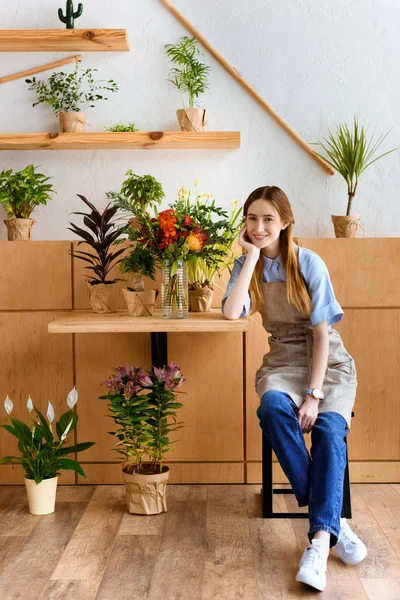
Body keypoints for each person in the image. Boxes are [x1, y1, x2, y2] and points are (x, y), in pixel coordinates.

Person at [222, 186, 367, 592]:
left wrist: (315, 394)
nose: (259, 226)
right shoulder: (246, 265)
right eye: (252, 218)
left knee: (326, 430)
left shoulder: (308, 262)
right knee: (270, 408)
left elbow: (322, 335)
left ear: (285, 221)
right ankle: (333, 519)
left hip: (330, 365)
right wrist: (250, 256)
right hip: (284, 362)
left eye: (268, 219)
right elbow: (233, 312)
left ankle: (319, 545)